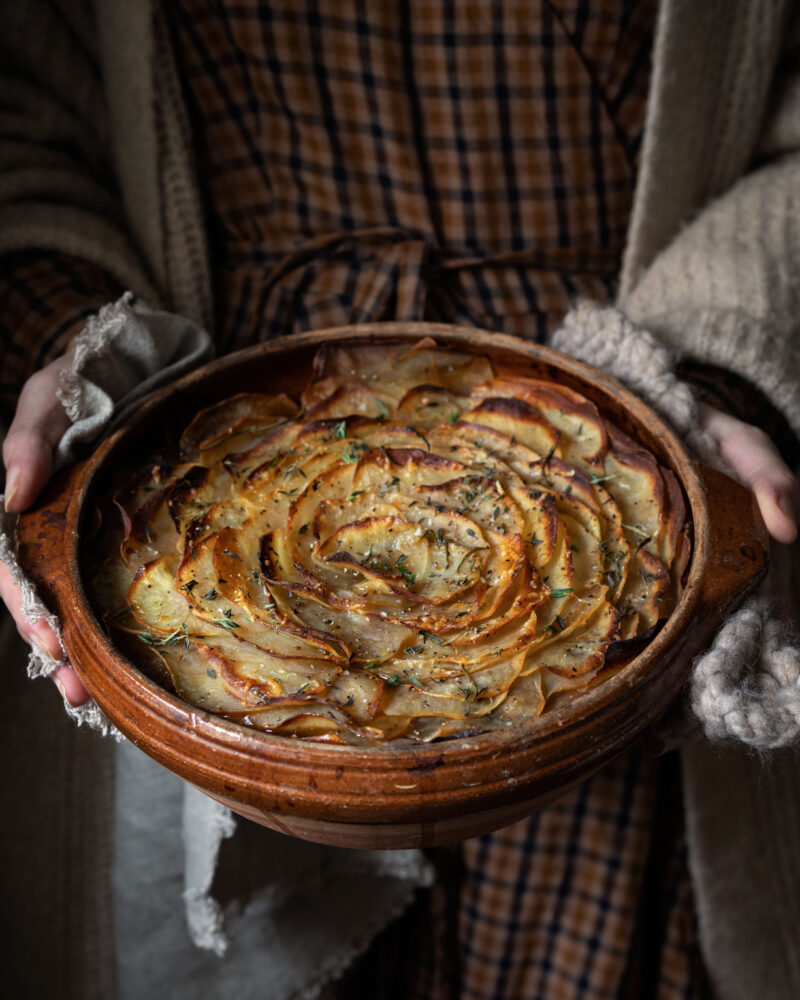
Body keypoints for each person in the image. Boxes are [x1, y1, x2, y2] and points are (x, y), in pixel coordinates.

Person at [1, 2, 799, 998]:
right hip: (210, 455)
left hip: (606, 398)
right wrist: (73, 352)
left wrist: (709, 365)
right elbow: (23, 116)